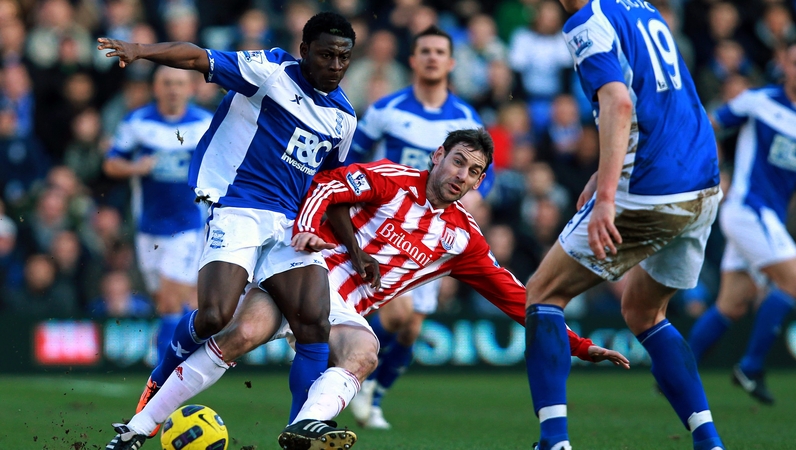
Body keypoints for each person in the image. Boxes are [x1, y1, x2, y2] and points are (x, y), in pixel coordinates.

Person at [111, 129, 629, 450]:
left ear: (479, 183)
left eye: (474, 172)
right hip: (304, 269)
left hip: (344, 308)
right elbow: (328, 185)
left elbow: (519, 298)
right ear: (437, 155)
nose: (462, 175)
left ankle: (307, 428)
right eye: (457, 161)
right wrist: (307, 229)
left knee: (364, 350)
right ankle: (137, 428)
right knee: (241, 333)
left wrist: (579, 345)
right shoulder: (392, 179)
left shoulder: (462, 239)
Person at [97, 11, 358, 449]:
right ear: (304, 51)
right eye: (326, 55)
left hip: (290, 224)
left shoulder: (344, 118)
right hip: (240, 207)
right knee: (214, 316)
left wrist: (355, 250)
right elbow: (198, 57)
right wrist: (141, 50)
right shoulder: (270, 70)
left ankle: (301, 431)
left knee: (314, 323)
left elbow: (330, 187)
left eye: (343, 58)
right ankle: (152, 396)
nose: (335, 65)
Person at [522, 1, 726, 449]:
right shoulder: (643, 10)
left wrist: (607, 198)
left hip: (651, 186)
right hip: (702, 183)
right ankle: (709, 441)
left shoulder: (586, 21)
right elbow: (661, 101)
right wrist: (602, 171)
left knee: (543, 292)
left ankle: (554, 440)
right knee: (643, 311)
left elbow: (618, 101)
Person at [344, 25, 494, 430]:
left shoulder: (466, 117)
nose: (432, 57)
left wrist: (478, 196)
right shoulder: (387, 109)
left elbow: (487, 172)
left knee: (411, 328)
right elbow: (352, 156)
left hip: (435, 232)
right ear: (412, 60)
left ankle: (374, 394)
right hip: (389, 227)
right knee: (398, 315)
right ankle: (348, 365)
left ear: (451, 62)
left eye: (439, 51)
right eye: (424, 50)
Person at [688, 41, 796, 406]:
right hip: (748, 208)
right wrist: (711, 169)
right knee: (795, 282)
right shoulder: (758, 101)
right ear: (784, 65)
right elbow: (707, 125)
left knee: (732, 304)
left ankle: (677, 369)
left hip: (768, 216)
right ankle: (750, 367)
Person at [103, 65, 212, 362]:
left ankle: (165, 369)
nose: (173, 89)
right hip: (148, 226)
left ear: (190, 88)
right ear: (156, 87)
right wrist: (135, 168)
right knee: (165, 301)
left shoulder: (205, 124)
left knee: (170, 300)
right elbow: (111, 163)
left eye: (179, 83)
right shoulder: (137, 123)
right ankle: (194, 351)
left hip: (187, 224)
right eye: (167, 83)